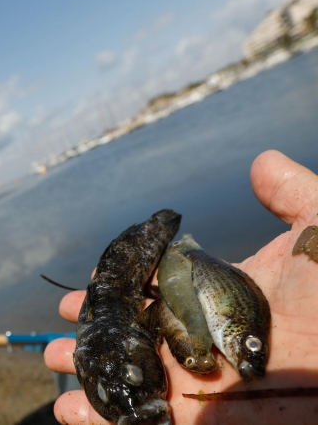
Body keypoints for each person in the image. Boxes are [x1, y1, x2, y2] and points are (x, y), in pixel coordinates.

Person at [44, 149, 318, 424]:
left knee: (158, 235)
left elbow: (161, 310)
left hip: (115, 297)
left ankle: (159, 230)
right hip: (114, 307)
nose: (132, 406)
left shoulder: (132, 337)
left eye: (133, 376)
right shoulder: (101, 362)